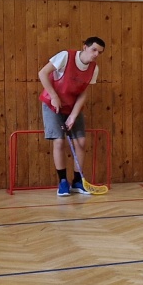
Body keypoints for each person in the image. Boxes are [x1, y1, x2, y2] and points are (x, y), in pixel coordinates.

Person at [37, 37, 105, 196]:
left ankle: (77, 181)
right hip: (52, 103)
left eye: (99, 52)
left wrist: (73, 116)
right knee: (59, 141)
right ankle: (62, 182)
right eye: (94, 50)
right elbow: (42, 73)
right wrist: (54, 96)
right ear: (85, 47)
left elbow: (83, 93)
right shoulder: (66, 56)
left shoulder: (93, 68)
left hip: (72, 106)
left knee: (81, 142)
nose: (96, 54)